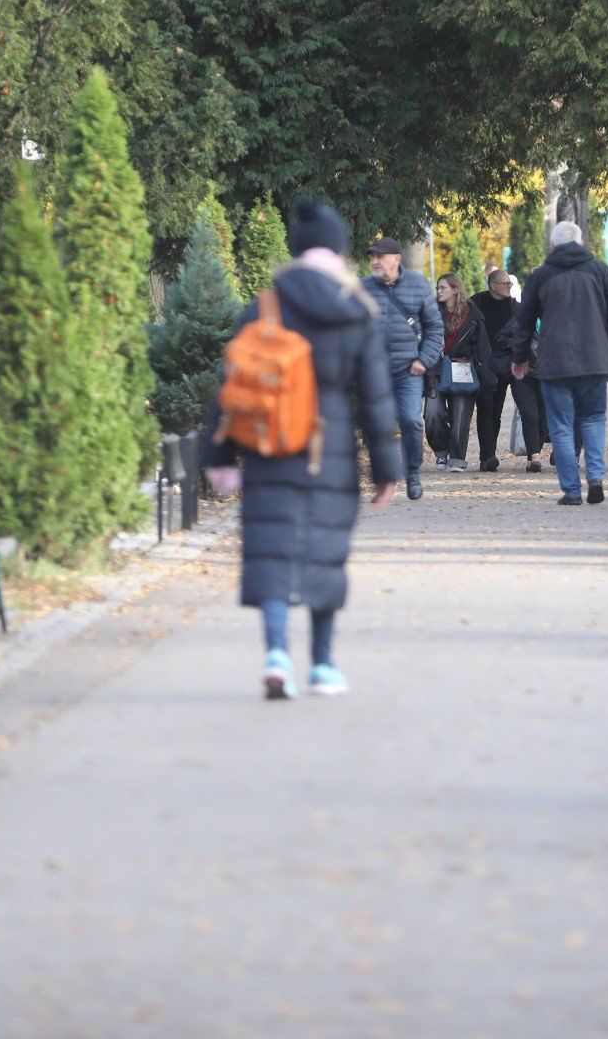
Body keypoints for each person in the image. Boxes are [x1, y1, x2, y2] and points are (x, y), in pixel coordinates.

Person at [203, 201, 402, 700]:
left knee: (272, 550)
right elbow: (377, 397)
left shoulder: (266, 305)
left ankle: (275, 654)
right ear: (339, 249)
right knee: (323, 554)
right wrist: (386, 470)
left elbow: (231, 383)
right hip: (329, 447)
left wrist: (219, 457)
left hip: (270, 445)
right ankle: (323, 665)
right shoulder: (356, 308)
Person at [509, 221, 608, 505]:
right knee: (593, 419)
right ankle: (596, 477)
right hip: (595, 360)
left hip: (555, 362)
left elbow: (524, 322)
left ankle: (572, 491)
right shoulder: (599, 271)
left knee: (562, 426)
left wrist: (520, 359)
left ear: (552, 246)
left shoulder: (541, 276)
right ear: (580, 243)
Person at [361, 236, 442, 500]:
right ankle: (382, 478)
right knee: (375, 424)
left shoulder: (418, 285)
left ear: (396, 259)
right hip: (373, 370)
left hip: (408, 369)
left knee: (410, 420)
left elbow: (434, 328)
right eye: (373, 257)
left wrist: (424, 360)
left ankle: (412, 472)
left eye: (380, 257)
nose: (375, 262)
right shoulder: (362, 288)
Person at [471, 268, 547, 472]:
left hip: (513, 366)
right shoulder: (476, 303)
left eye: (510, 284)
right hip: (487, 365)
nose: (509, 286)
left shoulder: (515, 307)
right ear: (493, 285)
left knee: (529, 409)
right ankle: (487, 456)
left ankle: (534, 453)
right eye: (506, 283)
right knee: (489, 410)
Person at [434, 271, 487, 471]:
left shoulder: (472, 314)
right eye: (438, 288)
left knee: (460, 417)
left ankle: (457, 458)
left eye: (443, 288)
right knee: (433, 415)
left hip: (462, 368)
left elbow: (481, 347)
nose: (439, 291)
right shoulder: (432, 312)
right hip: (436, 370)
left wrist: (484, 372)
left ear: (455, 290)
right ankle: (441, 452)